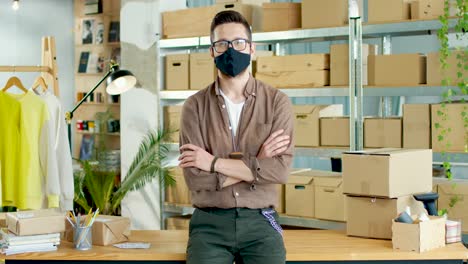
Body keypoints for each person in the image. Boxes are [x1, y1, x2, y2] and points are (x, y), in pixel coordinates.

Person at [178, 10, 294, 264]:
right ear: (212, 51)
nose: (231, 50)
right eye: (222, 44)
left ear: (252, 49)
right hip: (209, 224)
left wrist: (212, 163)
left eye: (239, 43)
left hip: (261, 221)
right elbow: (195, 179)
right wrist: (257, 162)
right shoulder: (194, 107)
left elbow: (280, 172)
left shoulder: (277, 103)